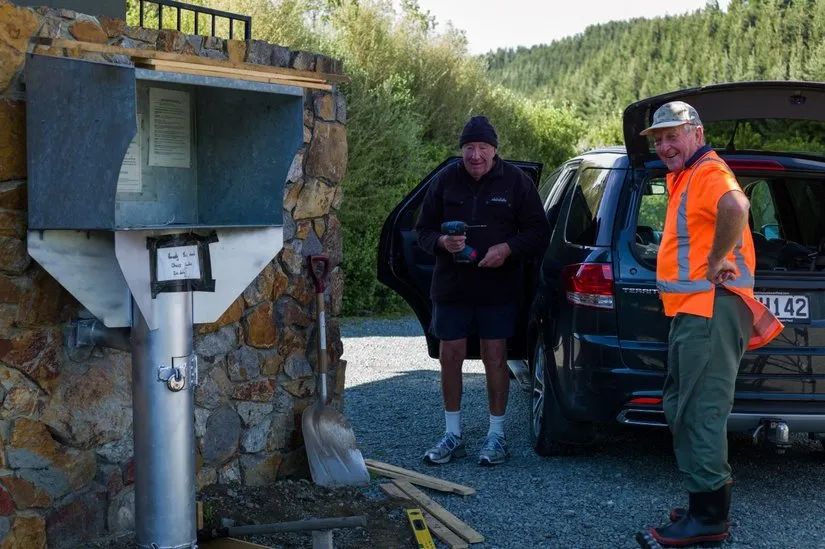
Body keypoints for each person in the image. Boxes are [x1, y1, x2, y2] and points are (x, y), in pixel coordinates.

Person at [635, 102, 783, 548]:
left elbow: (736, 206)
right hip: (696, 310)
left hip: (711, 309)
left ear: (696, 133)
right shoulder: (687, 176)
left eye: (672, 135)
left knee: (700, 411)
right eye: (658, 139)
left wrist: (718, 258)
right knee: (683, 405)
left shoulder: (707, 174)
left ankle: (709, 520)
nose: (664, 145)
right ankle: (703, 504)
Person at [415, 115, 550, 466]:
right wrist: (444, 241)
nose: (476, 155)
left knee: (495, 357)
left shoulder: (516, 183)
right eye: (469, 148)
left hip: (498, 286)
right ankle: (452, 435)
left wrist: (507, 249)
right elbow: (422, 231)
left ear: (494, 150)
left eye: (483, 148)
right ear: (462, 150)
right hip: (451, 287)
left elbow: (538, 231)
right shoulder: (445, 180)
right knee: (450, 356)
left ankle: (496, 435)